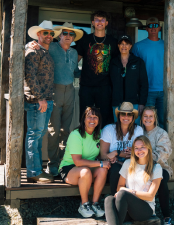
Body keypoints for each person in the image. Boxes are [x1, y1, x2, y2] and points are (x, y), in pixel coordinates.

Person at [26, 22, 83, 177]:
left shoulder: (73, 52)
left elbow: (75, 71)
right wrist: (28, 44)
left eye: (71, 34)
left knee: (66, 130)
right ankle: (51, 166)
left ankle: (63, 165)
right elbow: (34, 48)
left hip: (70, 91)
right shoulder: (51, 48)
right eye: (65, 33)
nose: (68, 36)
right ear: (60, 35)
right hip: (53, 92)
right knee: (53, 130)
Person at [100, 135, 163, 225]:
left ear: (149, 148)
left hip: (145, 210)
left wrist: (130, 192)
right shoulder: (128, 163)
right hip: (127, 208)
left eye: (142, 147)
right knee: (109, 199)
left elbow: (150, 196)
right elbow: (119, 187)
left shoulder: (156, 167)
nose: (139, 150)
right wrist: (125, 192)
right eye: (136, 148)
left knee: (124, 193)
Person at [24, 20, 60, 183]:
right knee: (34, 135)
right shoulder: (32, 51)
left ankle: (37, 171)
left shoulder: (44, 51)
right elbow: (30, 77)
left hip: (46, 100)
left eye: (51, 33)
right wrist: (40, 98)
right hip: (37, 101)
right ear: (38, 34)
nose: (49, 36)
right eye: (45, 33)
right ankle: (33, 172)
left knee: (38, 136)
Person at [59, 107, 109, 218]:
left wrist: (111, 156)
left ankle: (95, 203)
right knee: (86, 171)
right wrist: (100, 163)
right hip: (70, 168)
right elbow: (77, 161)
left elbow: (101, 154)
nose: (92, 119)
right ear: (83, 119)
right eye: (89, 117)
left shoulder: (99, 134)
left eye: (95, 117)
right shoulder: (76, 135)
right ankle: (84, 204)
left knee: (103, 170)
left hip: (88, 166)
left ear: (99, 120)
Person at [76, 11, 119, 127]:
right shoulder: (85, 40)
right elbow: (75, 60)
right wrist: (77, 73)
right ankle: (85, 141)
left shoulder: (113, 42)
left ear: (106, 23)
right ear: (92, 23)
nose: (99, 22)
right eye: (97, 19)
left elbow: (118, 64)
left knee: (105, 117)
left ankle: (103, 143)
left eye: (102, 20)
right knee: (85, 116)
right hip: (86, 86)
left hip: (105, 86)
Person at [141, 106, 173, 225]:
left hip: (160, 166)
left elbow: (164, 154)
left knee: (160, 180)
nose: (148, 118)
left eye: (150, 116)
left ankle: (167, 218)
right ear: (142, 118)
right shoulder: (138, 132)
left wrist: (145, 155)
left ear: (155, 118)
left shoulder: (161, 133)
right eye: (145, 116)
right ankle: (144, 214)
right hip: (141, 167)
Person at [100, 102, 144, 195]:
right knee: (116, 169)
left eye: (129, 114)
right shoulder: (109, 129)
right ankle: (115, 199)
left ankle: (132, 202)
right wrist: (117, 153)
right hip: (113, 166)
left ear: (133, 117)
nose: (126, 117)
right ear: (119, 116)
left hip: (131, 163)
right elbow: (103, 155)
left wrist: (121, 153)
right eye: (123, 114)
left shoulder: (138, 130)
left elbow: (141, 152)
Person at [132, 17, 165, 128]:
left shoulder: (167, 45)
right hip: (147, 90)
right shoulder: (138, 46)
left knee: (163, 121)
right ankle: (147, 145)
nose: (153, 28)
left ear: (159, 28)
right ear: (146, 29)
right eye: (150, 26)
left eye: (155, 25)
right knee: (147, 123)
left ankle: (162, 145)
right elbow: (133, 69)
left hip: (165, 90)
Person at [110, 35, 148, 125]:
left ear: (131, 46)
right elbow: (109, 83)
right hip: (117, 103)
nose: (124, 46)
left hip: (134, 103)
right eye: (121, 44)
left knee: (134, 130)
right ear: (118, 46)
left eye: (127, 44)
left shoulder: (138, 62)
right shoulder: (113, 62)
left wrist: (142, 103)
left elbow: (144, 83)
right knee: (118, 130)